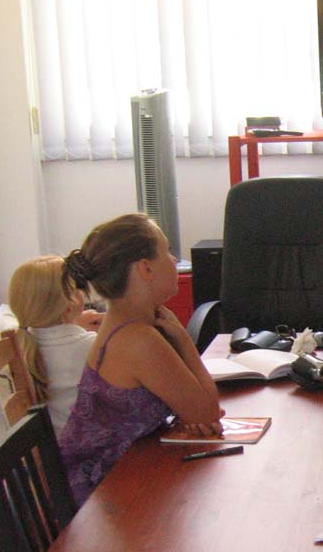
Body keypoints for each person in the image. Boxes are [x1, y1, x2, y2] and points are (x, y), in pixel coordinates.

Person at [59, 214, 222, 506]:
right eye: (167, 252)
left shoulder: (125, 322)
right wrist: (183, 339)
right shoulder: (138, 339)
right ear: (145, 268)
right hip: (102, 497)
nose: (174, 260)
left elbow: (197, 410)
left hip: (122, 475)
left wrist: (193, 413)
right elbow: (208, 412)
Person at [4, 255, 104, 437]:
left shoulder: (20, 345)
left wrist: (73, 323)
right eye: (77, 287)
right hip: (81, 448)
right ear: (70, 305)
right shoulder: (90, 346)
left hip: (46, 447)